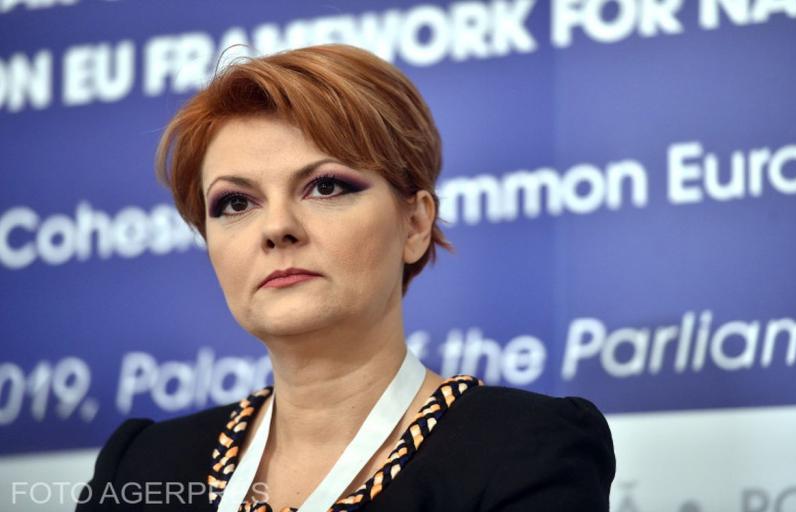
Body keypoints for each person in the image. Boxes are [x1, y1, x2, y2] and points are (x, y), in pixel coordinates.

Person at [77, 44, 615, 512]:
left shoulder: (527, 448)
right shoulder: (142, 465)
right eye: (235, 203)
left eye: (326, 187)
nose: (277, 228)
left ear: (415, 224)